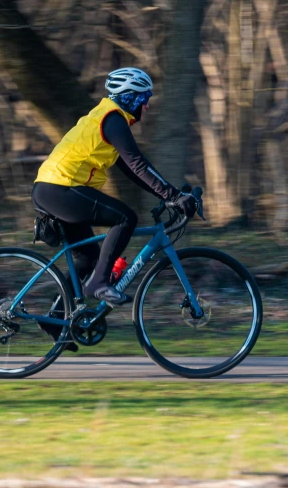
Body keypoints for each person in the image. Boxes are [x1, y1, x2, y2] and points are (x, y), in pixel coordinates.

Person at [32, 67, 197, 309]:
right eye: (144, 98)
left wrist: (170, 196)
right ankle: (98, 283)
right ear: (129, 97)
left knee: (88, 259)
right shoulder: (113, 119)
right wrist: (173, 195)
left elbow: (132, 170)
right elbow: (139, 163)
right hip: (60, 187)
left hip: (54, 189)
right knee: (125, 218)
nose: (147, 106)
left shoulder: (106, 118)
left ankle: (56, 321)